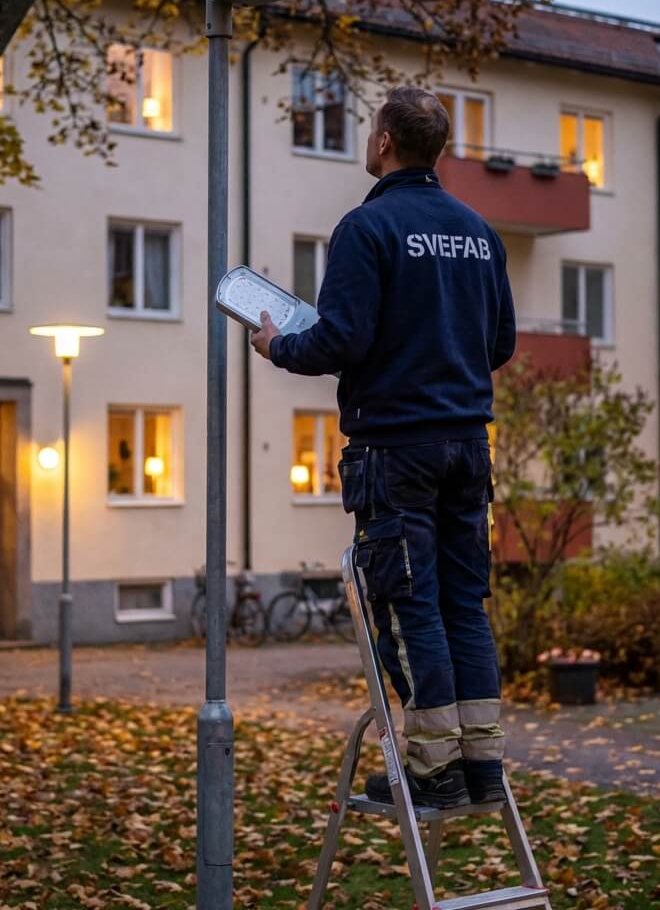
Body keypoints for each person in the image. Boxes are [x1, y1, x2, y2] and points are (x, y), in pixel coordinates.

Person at [251, 85, 516, 809]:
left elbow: (340, 341)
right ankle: (482, 764)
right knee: (465, 603)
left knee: (411, 605)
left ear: (384, 143)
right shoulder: (479, 233)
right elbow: (501, 344)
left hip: (395, 452)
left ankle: (433, 768)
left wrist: (278, 344)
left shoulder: (366, 230)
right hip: (467, 445)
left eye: (371, 131)